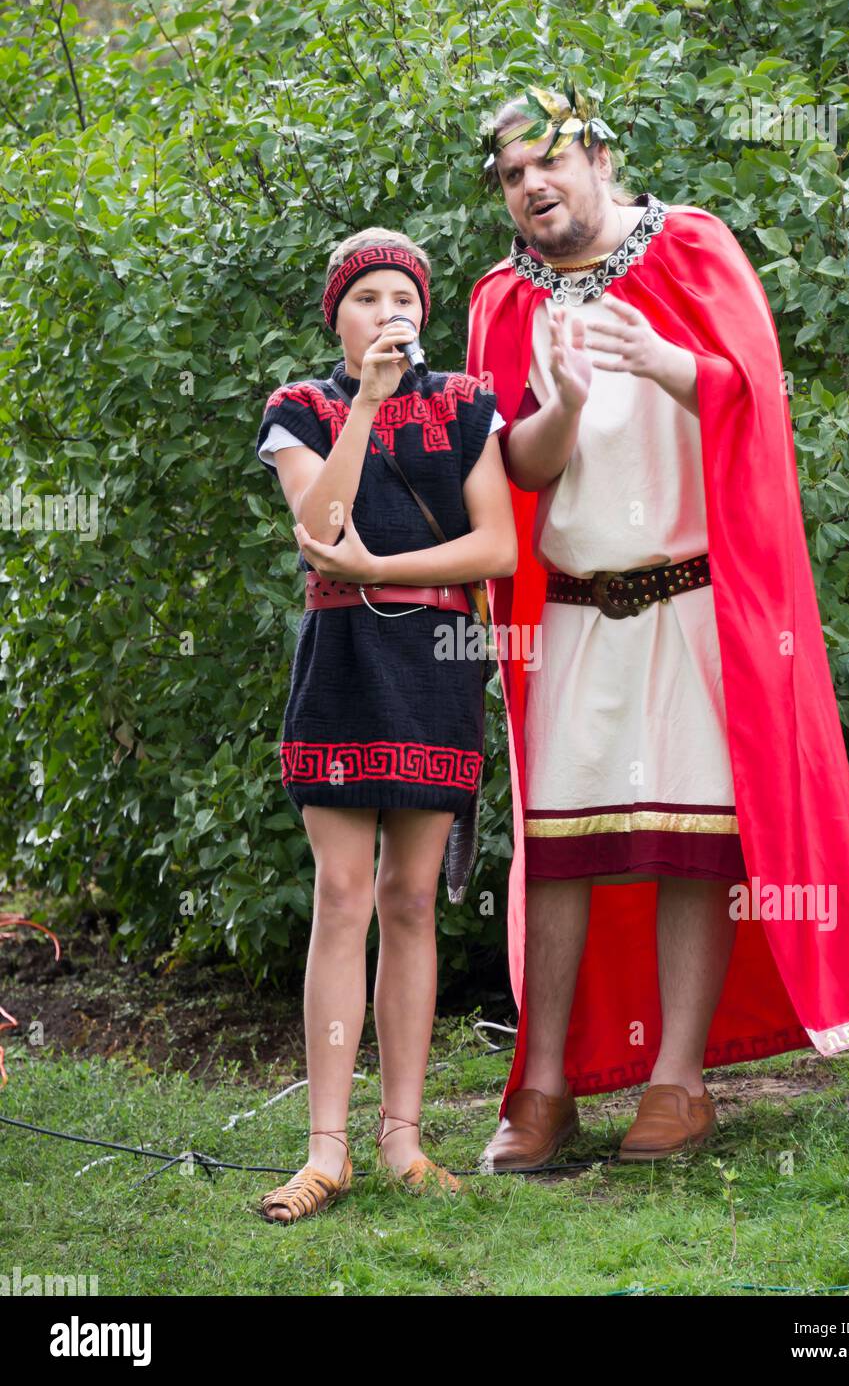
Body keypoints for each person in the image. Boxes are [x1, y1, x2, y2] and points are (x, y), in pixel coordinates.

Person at [466, 82, 849, 1170]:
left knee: (693, 845)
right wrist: (559, 404)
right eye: (512, 177)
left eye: (546, 164)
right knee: (558, 853)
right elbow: (506, 472)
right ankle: (544, 1090)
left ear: (599, 156)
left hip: (696, 599)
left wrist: (662, 361)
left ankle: (679, 1082)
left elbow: (757, 399)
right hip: (566, 613)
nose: (532, 189)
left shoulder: (693, 247)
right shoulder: (501, 303)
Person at [254, 228, 517, 1220]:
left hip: (437, 663)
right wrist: (363, 402)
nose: (386, 314)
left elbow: (492, 543)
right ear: (338, 315)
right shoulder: (301, 408)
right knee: (344, 891)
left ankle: (401, 1140)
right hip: (342, 663)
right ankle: (326, 1151)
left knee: (411, 898)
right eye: (365, 298)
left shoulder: (466, 404)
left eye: (401, 297)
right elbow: (321, 532)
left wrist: (380, 570)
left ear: (424, 309)